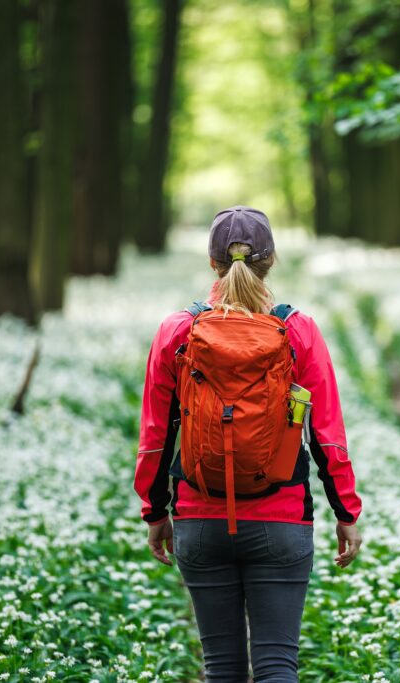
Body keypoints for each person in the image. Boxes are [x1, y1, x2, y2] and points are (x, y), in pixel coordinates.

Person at [135, 205, 364, 682]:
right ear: (272, 259)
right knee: (278, 664)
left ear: (213, 263)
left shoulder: (178, 331)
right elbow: (326, 436)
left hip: (199, 518)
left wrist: (156, 513)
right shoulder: (297, 331)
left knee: (221, 669)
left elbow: (157, 437)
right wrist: (346, 512)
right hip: (282, 521)